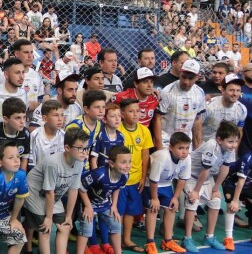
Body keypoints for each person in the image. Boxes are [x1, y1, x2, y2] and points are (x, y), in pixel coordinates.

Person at [24, 127, 88, 254]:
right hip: (34, 193)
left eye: (86, 148)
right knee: (45, 228)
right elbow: (48, 192)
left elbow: (74, 190)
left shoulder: (79, 162)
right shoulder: (53, 163)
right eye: (80, 148)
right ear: (67, 148)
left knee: (65, 227)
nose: (84, 152)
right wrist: (48, 217)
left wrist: (69, 216)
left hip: (53, 194)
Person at [180, 121, 241, 252]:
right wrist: (196, 191)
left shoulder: (229, 149)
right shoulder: (211, 146)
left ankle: (209, 236)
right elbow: (204, 170)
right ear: (219, 139)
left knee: (215, 200)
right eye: (230, 142)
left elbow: (225, 169)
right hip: (190, 175)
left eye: (236, 142)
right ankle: (187, 238)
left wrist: (215, 189)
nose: (233, 145)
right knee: (193, 201)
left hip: (206, 177)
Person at [76, 145, 131, 254]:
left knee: (116, 223)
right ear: (111, 163)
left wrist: (114, 206)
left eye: (129, 162)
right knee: (87, 227)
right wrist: (88, 206)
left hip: (104, 204)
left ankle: (118, 252)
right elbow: (81, 188)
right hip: (88, 202)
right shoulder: (99, 174)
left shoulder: (125, 176)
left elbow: (116, 188)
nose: (127, 166)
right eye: (123, 162)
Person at [143, 132, 191, 254]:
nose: (184, 152)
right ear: (170, 147)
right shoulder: (162, 157)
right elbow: (153, 180)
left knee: (171, 208)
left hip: (166, 183)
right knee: (153, 209)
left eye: (186, 148)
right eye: (180, 148)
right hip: (151, 183)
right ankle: (150, 242)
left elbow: (182, 179)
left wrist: (175, 197)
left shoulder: (187, 158)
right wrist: (154, 198)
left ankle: (168, 241)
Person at [117, 98, 153, 253]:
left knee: (131, 211)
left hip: (135, 179)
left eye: (138, 111)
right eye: (131, 111)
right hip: (118, 180)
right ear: (123, 114)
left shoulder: (144, 131)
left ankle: (126, 239)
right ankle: (115, 240)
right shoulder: (117, 129)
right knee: (117, 211)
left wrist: (143, 177)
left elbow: (145, 156)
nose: (136, 114)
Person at [153, 59, 205, 150]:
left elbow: (197, 120)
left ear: (197, 77)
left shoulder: (199, 92)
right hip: (167, 142)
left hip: (186, 143)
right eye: (184, 77)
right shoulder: (167, 91)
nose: (186, 82)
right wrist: (159, 146)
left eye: (190, 78)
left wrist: (197, 147)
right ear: (180, 73)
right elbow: (158, 118)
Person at [66, 90, 106, 171]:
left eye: (103, 107)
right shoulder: (75, 126)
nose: (101, 111)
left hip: (87, 168)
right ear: (86, 109)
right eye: (97, 107)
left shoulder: (100, 124)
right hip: (72, 169)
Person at [201, 74, 247, 141]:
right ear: (222, 90)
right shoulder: (209, 106)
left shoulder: (242, 109)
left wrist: (235, 150)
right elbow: (197, 127)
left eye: (238, 90)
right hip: (205, 146)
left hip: (227, 148)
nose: (235, 94)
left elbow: (239, 131)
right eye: (231, 90)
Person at [0, 57, 28, 126]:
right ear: (6, 74)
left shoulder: (24, 94)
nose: (22, 77)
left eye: (23, 72)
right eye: (17, 73)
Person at [0, 97, 30, 170]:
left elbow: (24, 160)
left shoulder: (25, 133)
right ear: (6, 119)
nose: (22, 121)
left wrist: (21, 178)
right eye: (18, 118)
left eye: (24, 117)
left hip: (16, 171)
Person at [27, 99, 66, 172]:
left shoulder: (64, 136)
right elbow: (31, 165)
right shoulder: (35, 135)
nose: (60, 119)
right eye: (56, 115)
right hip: (38, 176)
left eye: (62, 115)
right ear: (45, 118)